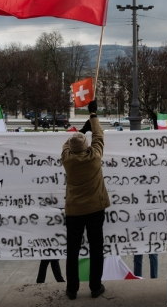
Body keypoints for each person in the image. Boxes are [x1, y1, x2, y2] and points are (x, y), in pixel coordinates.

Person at [61, 100, 109, 300]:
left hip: (74, 212)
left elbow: (66, 144)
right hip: (95, 209)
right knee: (96, 249)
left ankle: (71, 289)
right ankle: (95, 286)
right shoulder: (94, 157)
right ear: (86, 147)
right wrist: (93, 115)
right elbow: (99, 136)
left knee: (72, 251)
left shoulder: (67, 158)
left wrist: (81, 131)